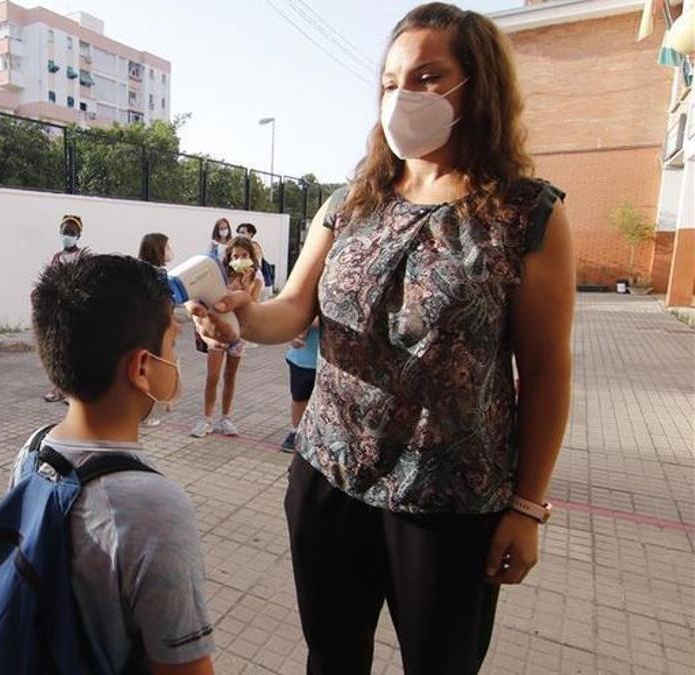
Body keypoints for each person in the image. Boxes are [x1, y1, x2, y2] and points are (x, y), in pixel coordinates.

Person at [188, 4, 575, 673]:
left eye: (429, 76)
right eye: (392, 81)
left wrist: (527, 506)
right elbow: (292, 308)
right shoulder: (353, 200)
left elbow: (544, 370)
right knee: (331, 658)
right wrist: (239, 319)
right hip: (329, 476)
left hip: (450, 500)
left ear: (475, 86)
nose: (405, 95)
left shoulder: (526, 213)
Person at [18, 254, 215, 673]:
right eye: (172, 346)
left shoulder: (33, 451)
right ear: (143, 368)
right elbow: (184, 666)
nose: (175, 359)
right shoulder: (155, 508)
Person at [190, 236, 262, 439]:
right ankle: (206, 419)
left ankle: (226, 417)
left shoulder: (255, 280)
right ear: (229, 258)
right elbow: (215, 299)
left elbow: (252, 307)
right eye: (235, 256)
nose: (240, 259)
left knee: (230, 376)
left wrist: (246, 286)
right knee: (212, 377)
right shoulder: (220, 278)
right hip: (218, 333)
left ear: (251, 257)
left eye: (244, 255)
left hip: (239, 335)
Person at [44, 214, 90, 403]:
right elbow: (50, 280)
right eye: (64, 232)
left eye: (71, 233)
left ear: (78, 235)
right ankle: (58, 388)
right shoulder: (57, 257)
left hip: (76, 310)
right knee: (58, 350)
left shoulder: (83, 257)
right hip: (59, 309)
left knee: (75, 351)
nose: (66, 236)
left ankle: (74, 391)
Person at [137, 233, 175, 428]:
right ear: (158, 250)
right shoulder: (159, 274)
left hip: (140, 327)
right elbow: (165, 302)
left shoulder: (138, 270)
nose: (171, 251)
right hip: (156, 328)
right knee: (154, 369)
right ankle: (148, 412)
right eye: (168, 247)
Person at [281, 320, 318, 452]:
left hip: (332, 360)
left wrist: (308, 322)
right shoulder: (306, 299)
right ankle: (296, 431)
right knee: (300, 397)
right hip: (303, 358)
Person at [236, 222, 275, 297]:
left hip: (255, 278)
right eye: (239, 232)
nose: (240, 235)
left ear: (250, 234)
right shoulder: (238, 246)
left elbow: (253, 263)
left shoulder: (255, 246)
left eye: (243, 232)